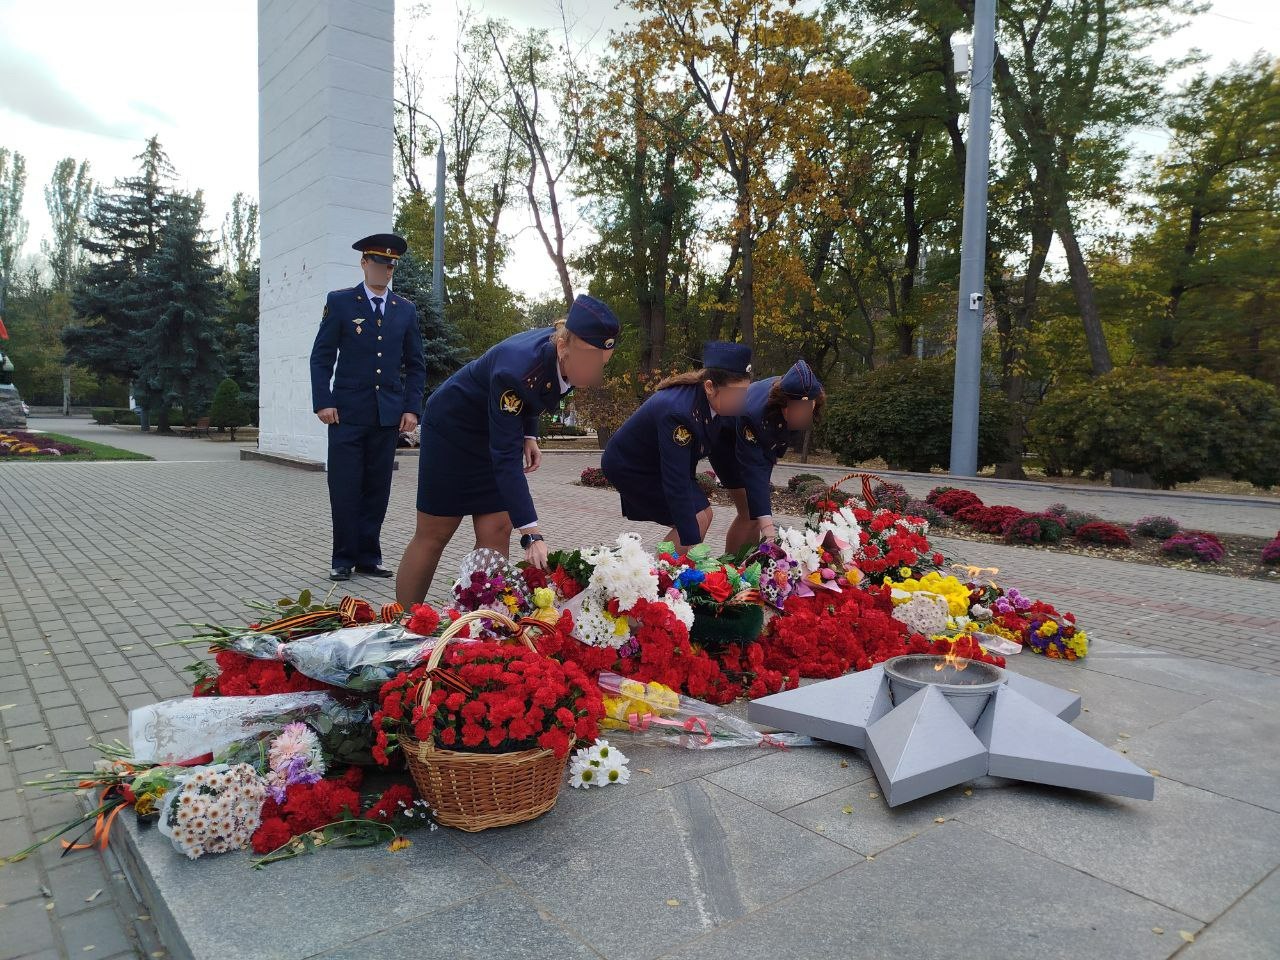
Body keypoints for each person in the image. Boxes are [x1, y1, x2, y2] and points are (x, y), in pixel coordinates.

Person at [395, 294, 620, 606]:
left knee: (498, 527)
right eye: (590, 361)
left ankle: (485, 622)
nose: (596, 372)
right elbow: (505, 457)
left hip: (495, 426)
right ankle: (403, 623)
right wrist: (531, 533)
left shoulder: (559, 349)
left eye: (602, 363)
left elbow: (535, 393)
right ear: (563, 346)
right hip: (453, 431)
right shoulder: (516, 369)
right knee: (435, 533)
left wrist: (529, 434)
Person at [310, 233, 426, 582]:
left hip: (386, 415)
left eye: (390, 265)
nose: (384, 270)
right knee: (345, 486)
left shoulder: (404, 310)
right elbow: (322, 356)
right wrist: (323, 401)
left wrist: (412, 409)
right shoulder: (342, 302)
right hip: (346, 413)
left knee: (377, 488)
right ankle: (343, 558)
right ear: (364, 263)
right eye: (378, 263)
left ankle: (368, 556)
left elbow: (416, 364)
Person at [601, 342, 753, 551]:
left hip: (661, 463)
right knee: (695, 520)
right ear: (710, 387)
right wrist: (693, 545)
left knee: (705, 515)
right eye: (737, 394)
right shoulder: (679, 412)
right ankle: (658, 577)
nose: (742, 401)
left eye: (745, 392)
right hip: (633, 467)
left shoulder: (714, 403)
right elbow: (677, 481)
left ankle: (669, 572)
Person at [707, 359, 826, 554]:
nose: (802, 416)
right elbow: (754, 469)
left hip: (755, 444)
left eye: (808, 410)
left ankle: (746, 566)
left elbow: (772, 447)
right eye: (797, 410)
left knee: (756, 512)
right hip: (726, 442)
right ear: (783, 403)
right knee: (749, 512)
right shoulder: (753, 415)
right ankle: (731, 570)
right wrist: (769, 531)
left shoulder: (806, 391)